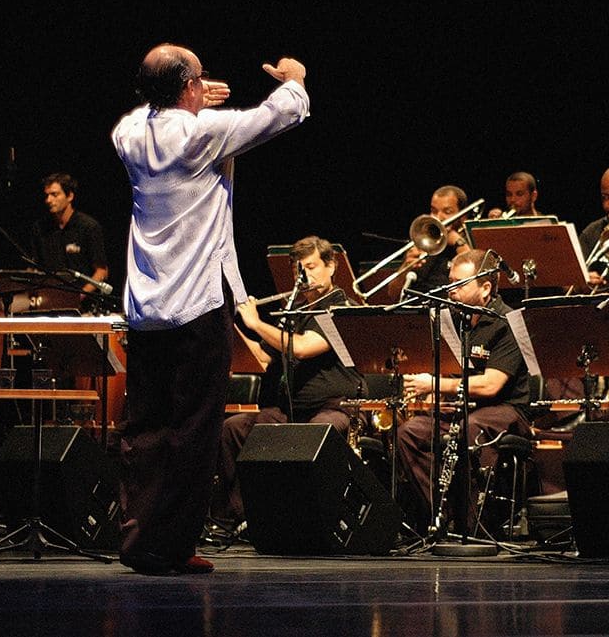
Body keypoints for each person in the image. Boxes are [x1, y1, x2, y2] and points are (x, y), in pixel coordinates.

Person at [111, 43, 309, 574]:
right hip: (196, 305)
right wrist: (294, 79)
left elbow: (161, 115)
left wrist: (194, 99)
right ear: (187, 88)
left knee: (144, 429)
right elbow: (275, 116)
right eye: (198, 79)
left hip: (147, 306)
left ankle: (137, 541)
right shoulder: (200, 134)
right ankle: (171, 546)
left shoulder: (128, 133)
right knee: (193, 429)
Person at [213, 236, 365, 530]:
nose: (305, 275)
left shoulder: (340, 307)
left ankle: (309, 522)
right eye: (300, 269)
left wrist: (257, 323)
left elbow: (304, 347)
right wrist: (227, 321)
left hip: (336, 407)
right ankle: (239, 518)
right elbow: (261, 358)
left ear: (331, 267)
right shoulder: (294, 312)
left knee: (313, 436)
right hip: (292, 410)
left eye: (311, 266)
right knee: (233, 430)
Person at [396, 249, 532, 534]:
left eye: (459, 284)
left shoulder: (507, 322)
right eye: (450, 283)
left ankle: (475, 525)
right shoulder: (454, 321)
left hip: (505, 410)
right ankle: (442, 514)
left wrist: (434, 384)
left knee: (469, 428)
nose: (450, 291)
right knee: (411, 431)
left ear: (485, 288)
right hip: (465, 408)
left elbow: (491, 384)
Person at [29, 172, 109, 297]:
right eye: (47, 195)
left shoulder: (88, 227)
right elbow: (34, 269)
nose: (48, 200)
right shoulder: (40, 229)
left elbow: (101, 271)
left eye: (54, 195)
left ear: (70, 196)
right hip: (48, 301)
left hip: (83, 305)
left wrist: (78, 296)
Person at [388, 184, 472, 299]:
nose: (438, 217)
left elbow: (476, 284)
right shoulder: (422, 241)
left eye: (447, 212)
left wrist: (458, 242)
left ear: (463, 216)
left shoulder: (469, 242)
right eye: (434, 211)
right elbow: (393, 295)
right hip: (416, 311)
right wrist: (405, 268)